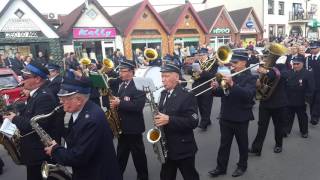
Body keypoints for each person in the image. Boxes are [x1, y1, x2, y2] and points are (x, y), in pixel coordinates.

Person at [44, 77, 122, 180]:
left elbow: (78, 157)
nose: (61, 102)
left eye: (64, 99)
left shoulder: (90, 120)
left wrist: (55, 150)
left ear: (79, 100)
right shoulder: (82, 110)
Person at [3, 61, 62, 180]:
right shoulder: (37, 93)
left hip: (40, 154)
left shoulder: (44, 96)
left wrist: (14, 118)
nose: (22, 80)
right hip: (34, 153)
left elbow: (36, 125)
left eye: (25, 77)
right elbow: (28, 114)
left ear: (38, 79)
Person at [208, 53, 256, 178]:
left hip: (241, 117)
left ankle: (242, 166)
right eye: (232, 63)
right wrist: (214, 89)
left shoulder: (251, 78)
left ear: (244, 63)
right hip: (226, 115)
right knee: (224, 144)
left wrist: (233, 84)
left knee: (242, 143)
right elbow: (224, 93)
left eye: (235, 63)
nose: (232, 65)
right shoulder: (229, 75)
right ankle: (221, 167)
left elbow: (248, 95)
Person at [155, 62, 199, 180]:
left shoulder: (187, 95)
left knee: (190, 176)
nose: (163, 80)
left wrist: (169, 119)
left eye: (166, 76)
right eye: (162, 76)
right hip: (167, 148)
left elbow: (193, 122)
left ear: (176, 77)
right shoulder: (163, 94)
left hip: (183, 148)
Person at [110, 60, 149, 180]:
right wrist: (116, 102)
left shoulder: (139, 84)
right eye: (120, 71)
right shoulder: (123, 84)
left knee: (138, 155)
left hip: (134, 128)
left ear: (132, 72)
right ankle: (117, 175)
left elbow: (138, 106)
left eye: (123, 71)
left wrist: (119, 102)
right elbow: (123, 100)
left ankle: (143, 176)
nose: (120, 73)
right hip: (123, 127)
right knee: (121, 154)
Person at [250, 43, 289, 155]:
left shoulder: (283, 65)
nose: (269, 57)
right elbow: (262, 80)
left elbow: (283, 75)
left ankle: (278, 144)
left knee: (278, 126)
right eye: (269, 54)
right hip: (265, 101)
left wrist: (267, 72)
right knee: (261, 126)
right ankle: (257, 148)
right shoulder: (265, 65)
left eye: (272, 55)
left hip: (278, 102)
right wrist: (258, 82)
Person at [285, 56, 314, 138]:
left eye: (298, 64)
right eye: (294, 64)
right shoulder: (289, 72)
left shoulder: (308, 73)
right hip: (289, 98)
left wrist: (307, 99)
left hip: (301, 99)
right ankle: (286, 130)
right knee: (288, 116)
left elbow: (311, 87)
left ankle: (304, 131)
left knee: (302, 117)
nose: (296, 66)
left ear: (302, 64)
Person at [192, 48, 217, 130]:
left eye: (201, 55)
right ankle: (207, 120)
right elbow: (192, 74)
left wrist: (201, 72)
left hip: (207, 86)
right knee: (200, 106)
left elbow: (212, 76)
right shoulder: (196, 63)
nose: (200, 57)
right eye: (199, 55)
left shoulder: (213, 63)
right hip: (197, 86)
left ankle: (203, 124)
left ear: (206, 54)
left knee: (206, 105)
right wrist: (193, 72)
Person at [306, 41, 320, 125]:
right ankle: (313, 115)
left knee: (318, 100)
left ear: (318, 48)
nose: (312, 50)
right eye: (311, 48)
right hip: (311, 83)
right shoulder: (308, 58)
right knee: (312, 100)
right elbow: (307, 70)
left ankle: (315, 117)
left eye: (314, 48)